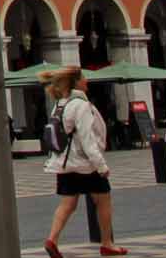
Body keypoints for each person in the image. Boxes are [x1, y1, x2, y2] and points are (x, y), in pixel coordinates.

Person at [40, 66, 121, 258]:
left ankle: (52, 239)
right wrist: (101, 165)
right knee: (103, 198)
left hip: (65, 162)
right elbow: (87, 139)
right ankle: (107, 243)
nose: (87, 81)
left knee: (68, 202)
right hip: (84, 163)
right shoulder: (81, 105)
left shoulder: (60, 103)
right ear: (76, 82)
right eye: (84, 77)